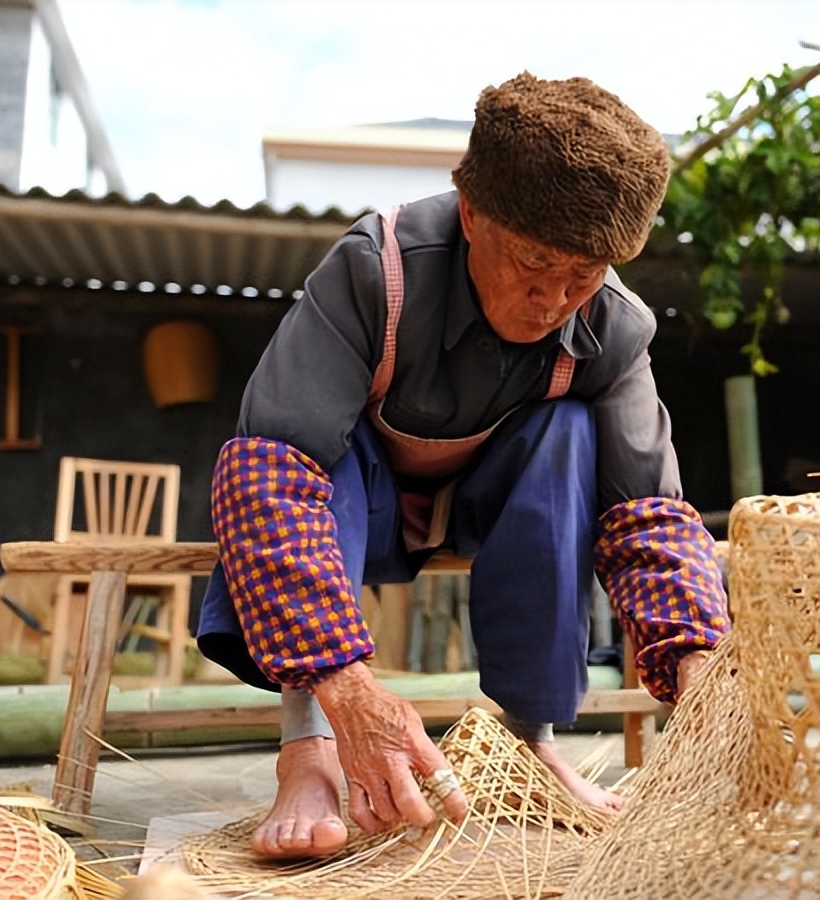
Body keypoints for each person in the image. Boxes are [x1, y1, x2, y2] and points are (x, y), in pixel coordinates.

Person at [197, 71, 730, 860]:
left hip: (491, 511)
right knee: (303, 459)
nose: (553, 299)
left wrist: (696, 663)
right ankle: (305, 753)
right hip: (363, 504)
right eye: (534, 263)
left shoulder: (614, 327)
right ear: (473, 213)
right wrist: (348, 689)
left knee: (571, 431)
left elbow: (648, 514)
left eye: (582, 275)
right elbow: (271, 476)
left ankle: (531, 742)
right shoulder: (374, 270)